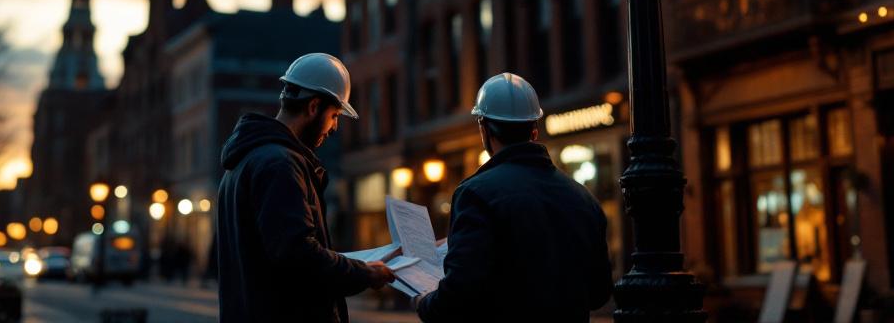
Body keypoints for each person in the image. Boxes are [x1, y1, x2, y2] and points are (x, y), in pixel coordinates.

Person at [416, 73, 613, 322]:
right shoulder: (583, 198)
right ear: (534, 129)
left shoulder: (475, 194)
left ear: (484, 128)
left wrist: (424, 302)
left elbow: (459, 294)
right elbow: (598, 293)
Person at [216, 52, 395, 323]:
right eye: (334, 115)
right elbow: (297, 255)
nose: (334, 127)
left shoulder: (243, 162)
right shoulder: (279, 165)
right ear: (313, 107)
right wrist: (364, 274)